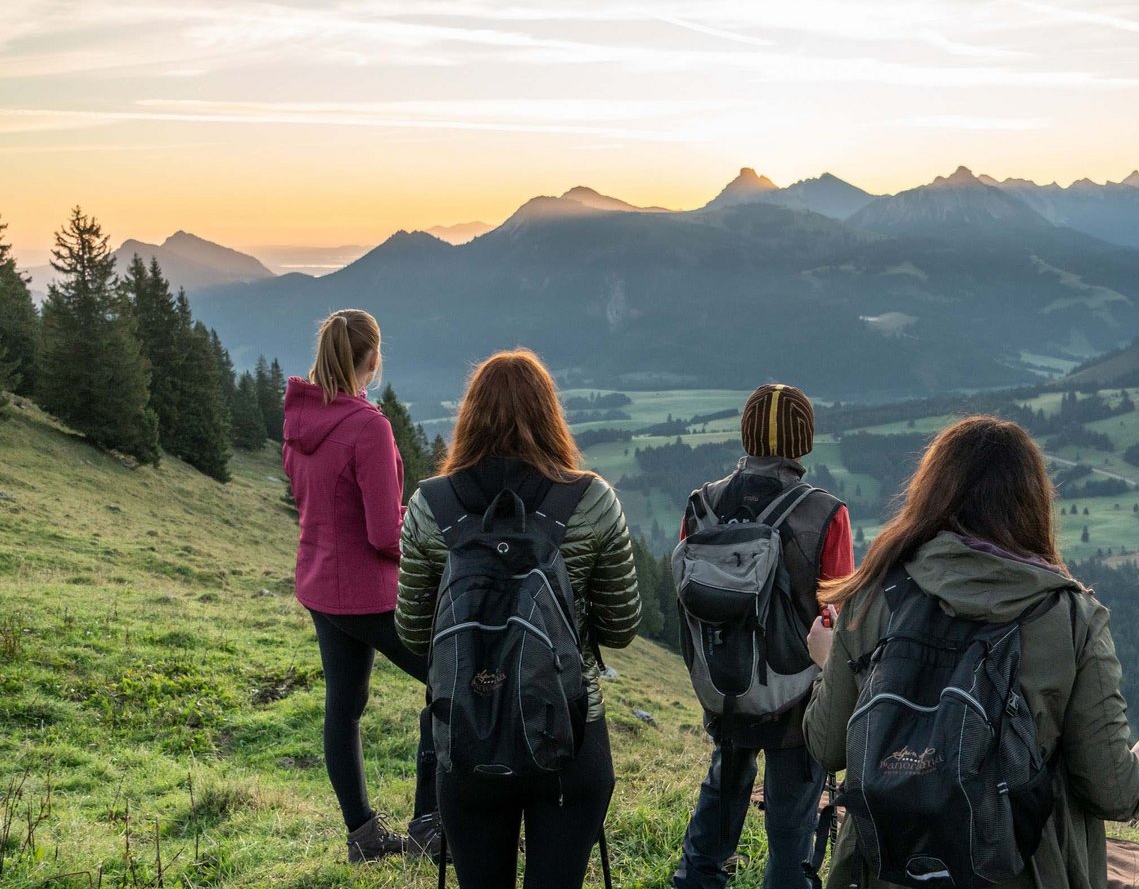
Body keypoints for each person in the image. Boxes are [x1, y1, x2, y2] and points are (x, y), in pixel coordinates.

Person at [802, 415, 1139, 889]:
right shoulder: (1069, 616)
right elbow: (1111, 790)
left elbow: (826, 744)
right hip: (1024, 870)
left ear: (930, 493)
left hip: (886, 866)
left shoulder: (874, 594)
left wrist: (828, 664)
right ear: (1033, 502)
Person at [395, 348, 641, 889]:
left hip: (467, 732)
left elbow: (413, 631)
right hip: (570, 733)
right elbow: (622, 627)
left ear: (469, 414)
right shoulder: (592, 500)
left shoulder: (430, 505)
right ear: (550, 413)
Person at [673, 383, 856, 889]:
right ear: (804, 441)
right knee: (791, 824)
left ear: (747, 433)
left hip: (725, 683)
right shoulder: (826, 514)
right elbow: (839, 612)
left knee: (722, 787)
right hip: (796, 697)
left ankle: (696, 879)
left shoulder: (702, 504)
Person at [281, 308, 439, 862]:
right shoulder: (367, 426)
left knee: (343, 709)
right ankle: (429, 826)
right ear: (372, 358)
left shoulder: (301, 422)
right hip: (369, 593)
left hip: (320, 586)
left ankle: (364, 837)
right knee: (449, 680)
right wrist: (430, 535)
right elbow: (383, 534)